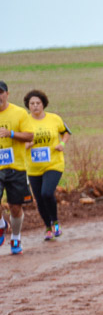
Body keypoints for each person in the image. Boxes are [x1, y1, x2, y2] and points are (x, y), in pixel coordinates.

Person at [22, 90, 71, 242]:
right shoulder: (23, 122)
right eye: (32, 104)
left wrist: (62, 144)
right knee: (39, 199)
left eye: (38, 103)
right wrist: (26, 145)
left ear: (43, 104)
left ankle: (55, 222)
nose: (35, 106)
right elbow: (17, 141)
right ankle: (48, 228)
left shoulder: (54, 119)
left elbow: (66, 132)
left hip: (53, 163)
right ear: (28, 106)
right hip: (33, 166)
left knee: (47, 193)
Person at [0, 81, 34, 254]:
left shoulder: (19, 113)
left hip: (16, 167)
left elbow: (30, 136)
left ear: (7, 94)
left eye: (1, 93)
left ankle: (15, 236)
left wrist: (10, 134)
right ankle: (1, 224)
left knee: (15, 207)